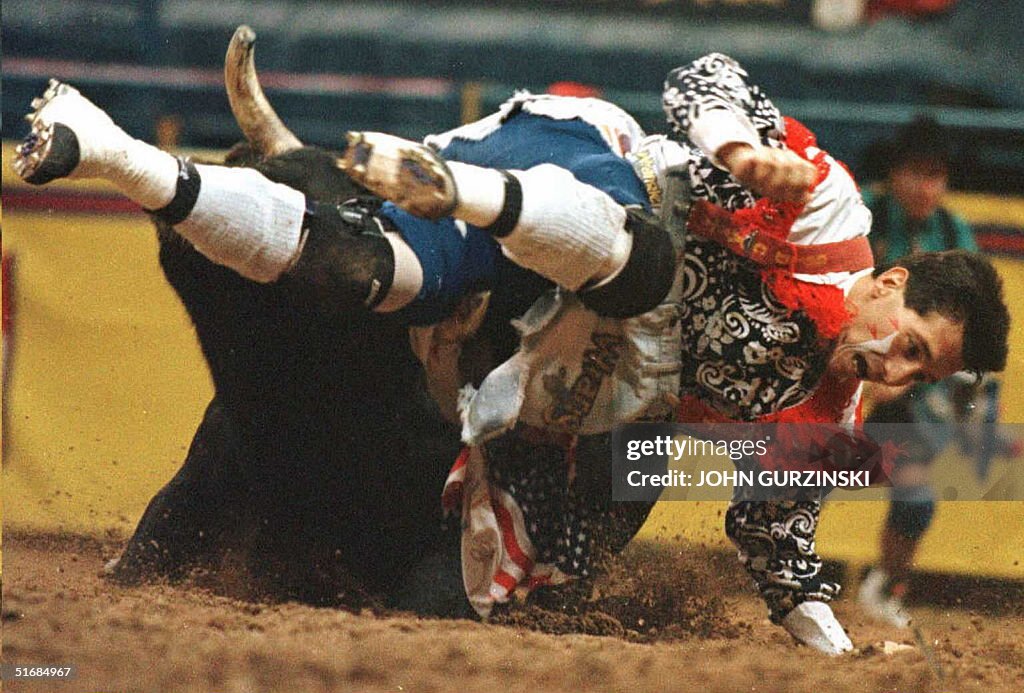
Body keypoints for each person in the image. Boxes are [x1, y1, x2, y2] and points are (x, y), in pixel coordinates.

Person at [14, 56, 1009, 655]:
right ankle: (412, 201)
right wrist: (746, 158)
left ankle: (331, 206)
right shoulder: (828, 215)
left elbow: (778, 547)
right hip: (586, 242)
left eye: (922, 374)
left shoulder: (821, 427)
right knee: (406, 276)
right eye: (912, 350)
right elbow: (705, 81)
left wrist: (830, 648)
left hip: (612, 422)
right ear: (887, 288)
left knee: (472, 591)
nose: (901, 377)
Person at [857, 116, 1019, 628]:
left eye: (938, 176)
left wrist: (975, 396)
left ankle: (883, 585)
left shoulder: (953, 232)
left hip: (907, 388)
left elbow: (974, 325)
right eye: (918, 174)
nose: (928, 188)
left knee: (917, 497)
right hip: (844, 365)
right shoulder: (862, 217)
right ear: (894, 174)